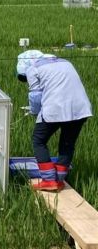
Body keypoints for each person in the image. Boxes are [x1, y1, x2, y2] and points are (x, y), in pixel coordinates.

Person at [16, 50, 92, 191]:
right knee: (67, 144)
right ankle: (59, 180)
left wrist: (34, 111)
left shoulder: (33, 68)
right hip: (81, 108)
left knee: (38, 140)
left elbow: (35, 96)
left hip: (55, 108)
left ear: (24, 66)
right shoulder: (65, 63)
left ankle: (49, 180)